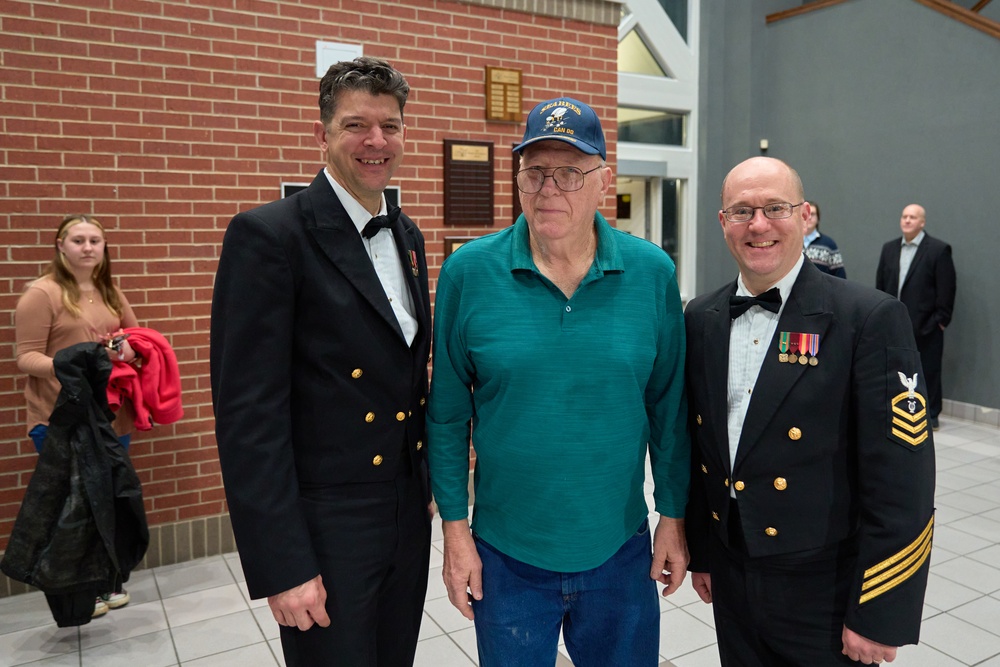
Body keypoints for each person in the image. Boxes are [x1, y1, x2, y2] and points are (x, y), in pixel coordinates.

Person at [427, 97, 690, 666]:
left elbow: (668, 410)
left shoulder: (651, 274)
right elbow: (446, 416)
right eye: (534, 171)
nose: (550, 188)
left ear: (603, 183)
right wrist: (454, 533)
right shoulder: (468, 273)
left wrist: (672, 516)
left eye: (570, 172)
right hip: (504, 555)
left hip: (619, 551)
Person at [210, 56, 432, 667]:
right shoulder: (269, 236)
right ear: (323, 134)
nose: (376, 141)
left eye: (390, 125)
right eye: (356, 125)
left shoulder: (407, 236)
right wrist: (284, 564)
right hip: (327, 525)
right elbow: (248, 415)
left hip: (405, 516)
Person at [685, 156, 935, 665]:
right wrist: (705, 552)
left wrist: (878, 609)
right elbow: (704, 448)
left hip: (825, 586)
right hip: (732, 576)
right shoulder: (701, 316)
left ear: (804, 217)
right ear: (722, 223)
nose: (758, 225)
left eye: (775, 208)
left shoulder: (868, 318)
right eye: (741, 211)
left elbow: (902, 482)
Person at [15, 213, 140, 618]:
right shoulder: (42, 293)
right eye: (78, 240)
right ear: (60, 246)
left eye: (95, 241)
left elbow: (136, 340)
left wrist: (127, 351)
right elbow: (25, 357)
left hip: (108, 417)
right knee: (77, 506)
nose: (88, 247)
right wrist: (76, 363)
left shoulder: (110, 291)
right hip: (61, 419)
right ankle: (80, 591)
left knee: (110, 500)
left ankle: (107, 581)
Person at [876, 204, 956, 431]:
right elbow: (881, 285)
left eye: (913, 217)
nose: (907, 220)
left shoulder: (938, 250)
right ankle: (896, 409)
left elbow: (947, 289)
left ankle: (931, 414)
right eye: (904, 216)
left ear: (922, 222)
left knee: (928, 370)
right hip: (894, 323)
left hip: (926, 325)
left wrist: (940, 321)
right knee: (895, 369)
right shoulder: (889, 249)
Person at [803, 201, 846, 278]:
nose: (809, 217)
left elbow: (840, 277)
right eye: (806, 214)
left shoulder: (829, 245)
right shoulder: (792, 243)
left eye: (812, 214)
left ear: (818, 219)